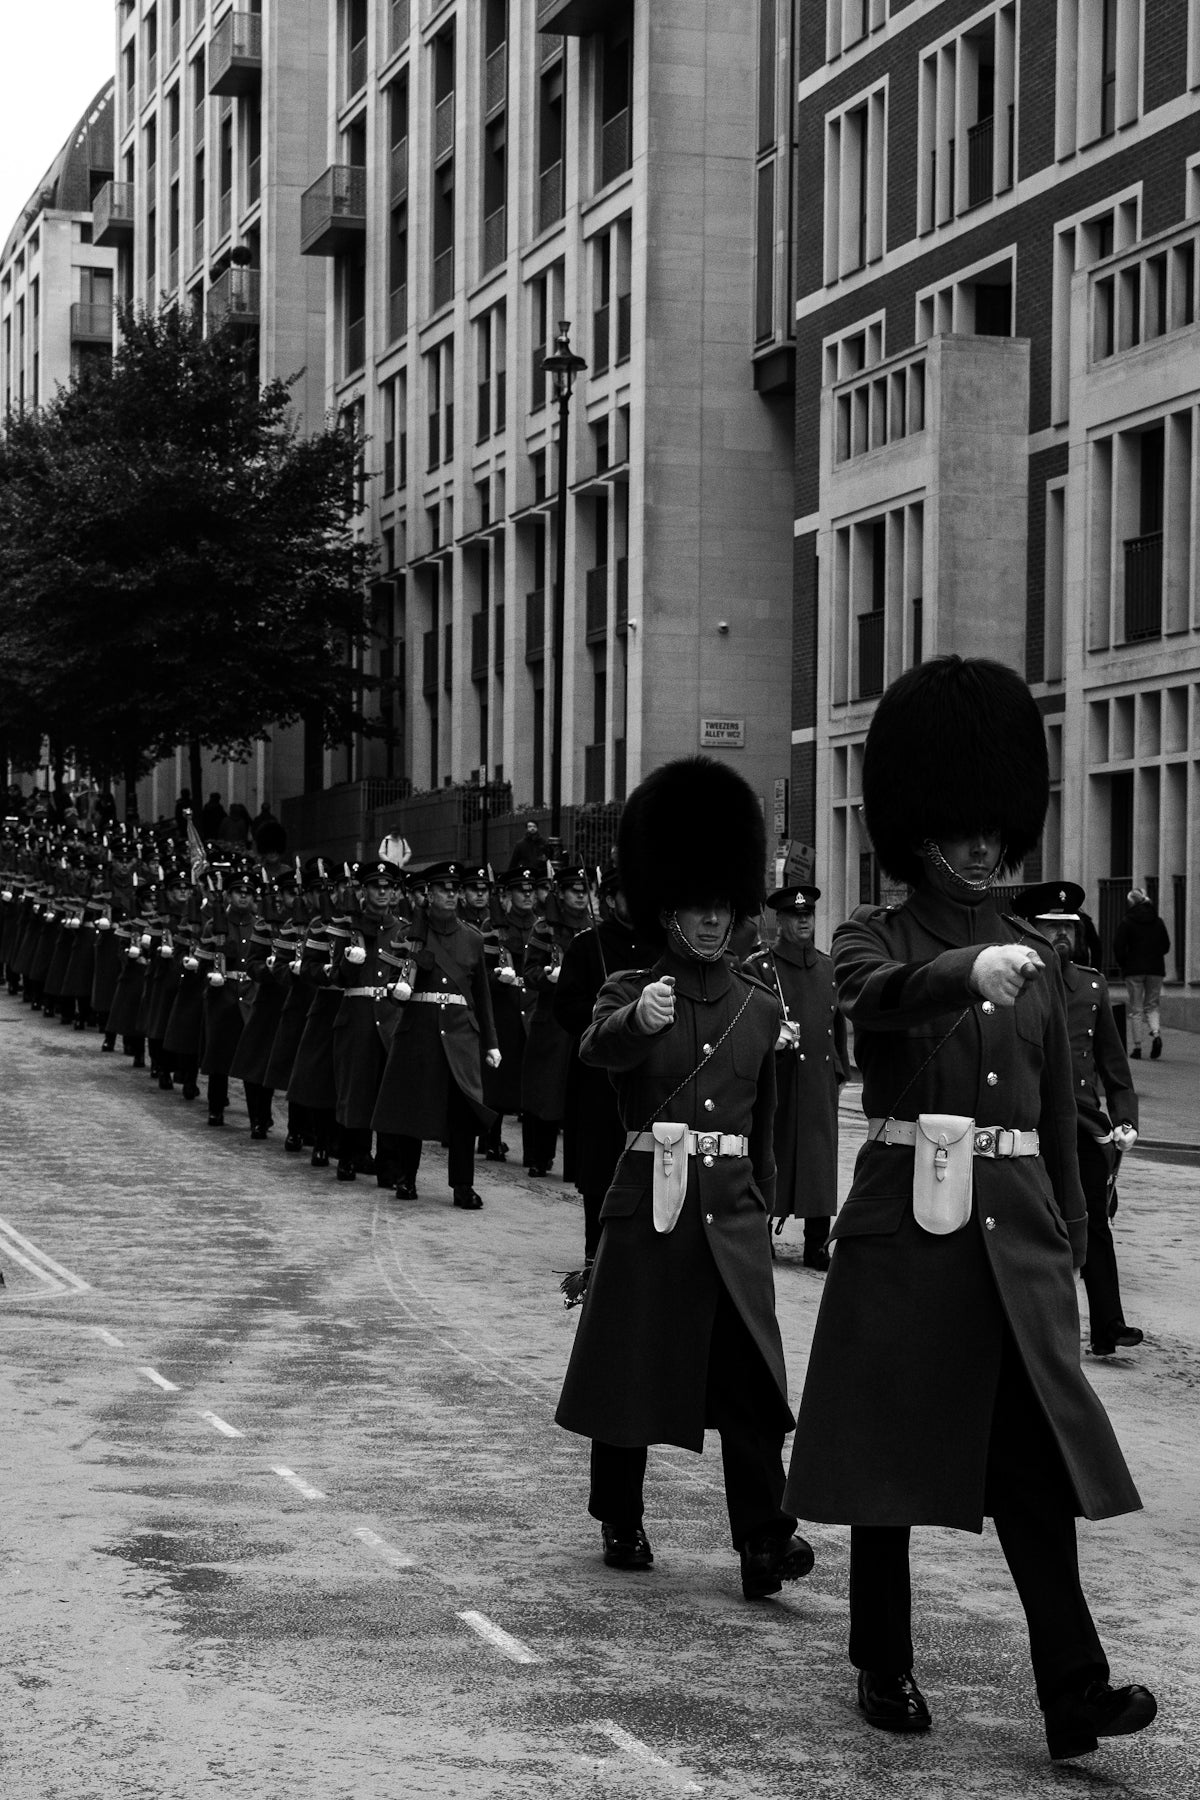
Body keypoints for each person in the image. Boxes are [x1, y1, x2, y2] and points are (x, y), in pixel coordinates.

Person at [785, 656, 1154, 1763]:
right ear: (917, 832)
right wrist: (960, 971)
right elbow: (869, 1003)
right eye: (961, 827)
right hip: (910, 1234)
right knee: (888, 1467)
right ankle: (882, 1661)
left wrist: (1072, 1259)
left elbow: (1054, 1128)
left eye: (997, 826)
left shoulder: (1044, 961)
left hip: (1012, 1247)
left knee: (1036, 1479)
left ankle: (1072, 1696)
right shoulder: (874, 936)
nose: (984, 846)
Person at [556, 756, 814, 1601]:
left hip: (729, 1213)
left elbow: (764, 1122)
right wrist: (637, 1018)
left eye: (722, 908)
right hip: (651, 1206)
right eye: (697, 908)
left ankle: (764, 1540)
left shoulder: (762, 1005)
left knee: (750, 1379)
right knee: (631, 1367)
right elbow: (597, 1052)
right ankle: (620, 1514)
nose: (711, 922)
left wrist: (765, 1205)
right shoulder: (630, 986)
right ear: (669, 909)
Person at [1014, 883, 1142, 1360]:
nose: (1062, 938)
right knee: (1032, 1225)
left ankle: (1108, 1324)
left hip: (1084, 1124)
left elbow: (1115, 1066)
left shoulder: (1091, 985)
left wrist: (1126, 1119)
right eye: (1051, 928)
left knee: (1092, 1219)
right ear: (1031, 932)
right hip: (1029, 1120)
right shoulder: (1015, 983)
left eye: (1068, 928)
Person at [553, 868, 660, 1291]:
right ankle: (595, 1252)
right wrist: (608, 1020)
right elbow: (565, 1007)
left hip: (650, 1071)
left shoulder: (661, 945)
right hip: (599, 1074)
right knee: (600, 1167)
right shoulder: (585, 946)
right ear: (610, 899)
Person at [372, 860, 499, 1209]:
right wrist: (395, 988)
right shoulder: (409, 934)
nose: (450, 894)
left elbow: (482, 996)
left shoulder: (472, 938)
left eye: (454, 889)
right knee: (414, 1108)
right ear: (428, 894)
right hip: (421, 1031)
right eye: (443, 888)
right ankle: (406, 1178)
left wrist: (491, 1042)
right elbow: (388, 979)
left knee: (463, 1112)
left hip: (460, 1034)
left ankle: (462, 1186)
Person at [742, 883, 848, 1270]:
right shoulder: (760, 967)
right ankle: (761, 1230)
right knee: (771, 1153)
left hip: (818, 1080)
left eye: (808, 915)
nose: (803, 921)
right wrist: (773, 1036)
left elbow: (835, 1024)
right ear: (780, 921)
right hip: (779, 1078)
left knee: (820, 1161)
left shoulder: (828, 967)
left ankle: (817, 1243)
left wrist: (838, 1071)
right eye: (794, 916)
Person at [521, 865, 591, 1176]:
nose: (580, 895)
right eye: (573, 889)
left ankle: (576, 1163)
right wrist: (549, 977)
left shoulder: (594, 928)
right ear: (560, 893)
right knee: (546, 1092)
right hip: (551, 1020)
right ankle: (539, 1157)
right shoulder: (544, 929)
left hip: (585, 1017)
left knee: (579, 1095)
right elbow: (530, 973)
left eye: (584, 890)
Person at [1114, 889, 1170, 1061]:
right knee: (1152, 1005)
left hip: (1134, 970)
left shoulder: (1127, 922)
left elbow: (1118, 947)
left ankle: (1137, 1048)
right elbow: (1166, 946)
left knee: (1136, 1009)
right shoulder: (1158, 921)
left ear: (1130, 903)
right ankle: (1156, 1034)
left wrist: (1125, 964)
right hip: (1155, 969)